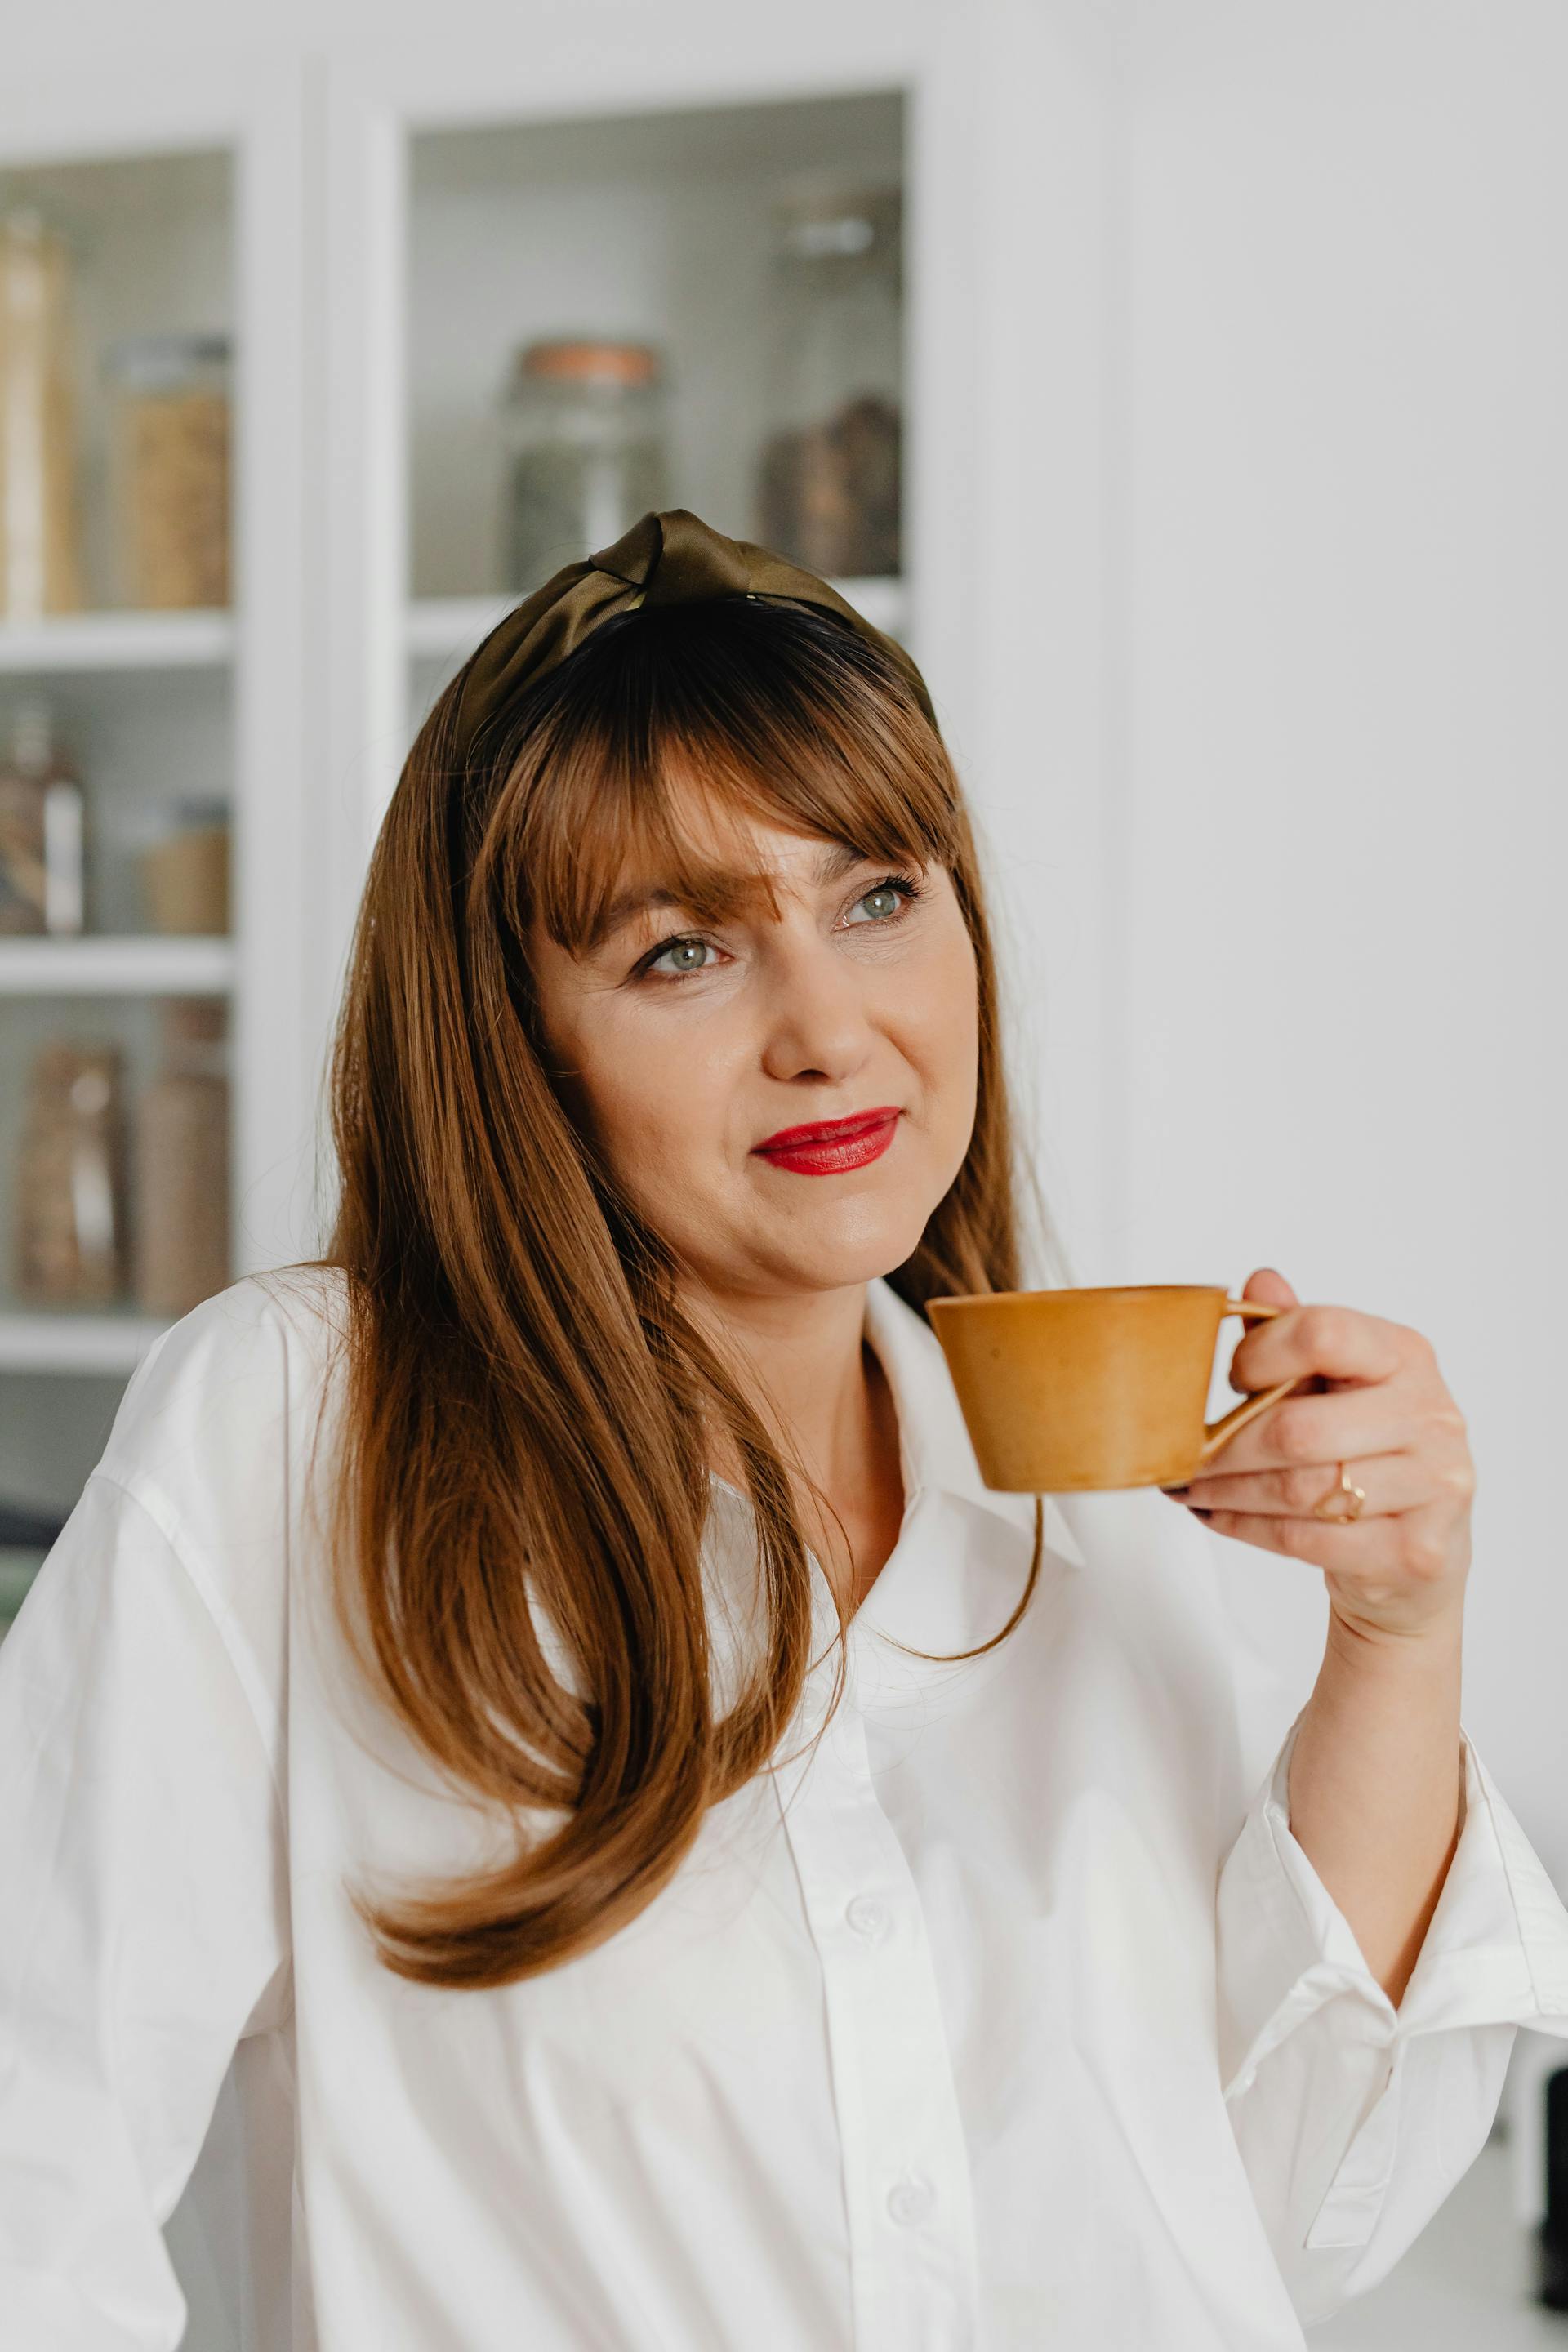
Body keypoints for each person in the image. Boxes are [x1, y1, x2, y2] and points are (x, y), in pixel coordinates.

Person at [2, 508, 1566, 2351]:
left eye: (878, 898)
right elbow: (36, 2158)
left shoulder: (1083, 1497)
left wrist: (1395, 1637)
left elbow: (1285, 2210)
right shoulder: (300, 1431)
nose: (833, 1028)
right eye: (682, 951)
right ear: (519, 1040)